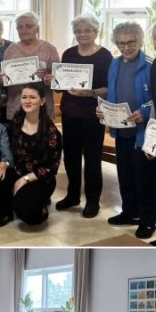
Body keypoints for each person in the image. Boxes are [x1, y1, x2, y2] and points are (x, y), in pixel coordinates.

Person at [101, 22, 156, 239]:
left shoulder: (152, 65)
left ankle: (148, 220)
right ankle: (129, 212)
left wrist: (145, 110)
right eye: (121, 43)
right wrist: (103, 111)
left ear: (140, 41)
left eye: (131, 42)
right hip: (120, 131)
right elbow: (111, 95)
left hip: (143, 133)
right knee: (125, 175)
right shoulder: (114, 64)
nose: (126, 47)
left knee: (145, 179)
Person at [55, 15, 112, 219]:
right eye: (78, 31)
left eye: (87, 30)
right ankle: (72, 196)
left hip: (92, 115)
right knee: (70, 157)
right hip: (69, 113)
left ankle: (93, 200)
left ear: (96, 32)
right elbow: (62, 82)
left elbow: (108, 88)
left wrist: (89, 93)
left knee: (92, 160)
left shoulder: (105, 56)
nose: (82, 34)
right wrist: (55, 81)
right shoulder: (69, 53)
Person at [7, 82, 61, 225]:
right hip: (17, 172)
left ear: (42, 101)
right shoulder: (15, 124)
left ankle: (39, 204)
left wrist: (24, 180)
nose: (27, 101)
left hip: (40, 178)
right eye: (24, 97)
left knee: (28, 214)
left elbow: (52, 166)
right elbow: (8, 152)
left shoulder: (51, 131)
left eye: (32, 97)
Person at [2, 12, 59, 119]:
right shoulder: (10, 50)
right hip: (16, 107)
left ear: (37, 29)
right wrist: (1, 78)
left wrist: (48, 78)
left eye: (28, 26)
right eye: (20, 27)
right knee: (17, 135)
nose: (24, 30)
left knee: (43, 135)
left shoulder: (49, 49)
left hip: (42, 107)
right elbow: (2, 79)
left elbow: (58, 81)